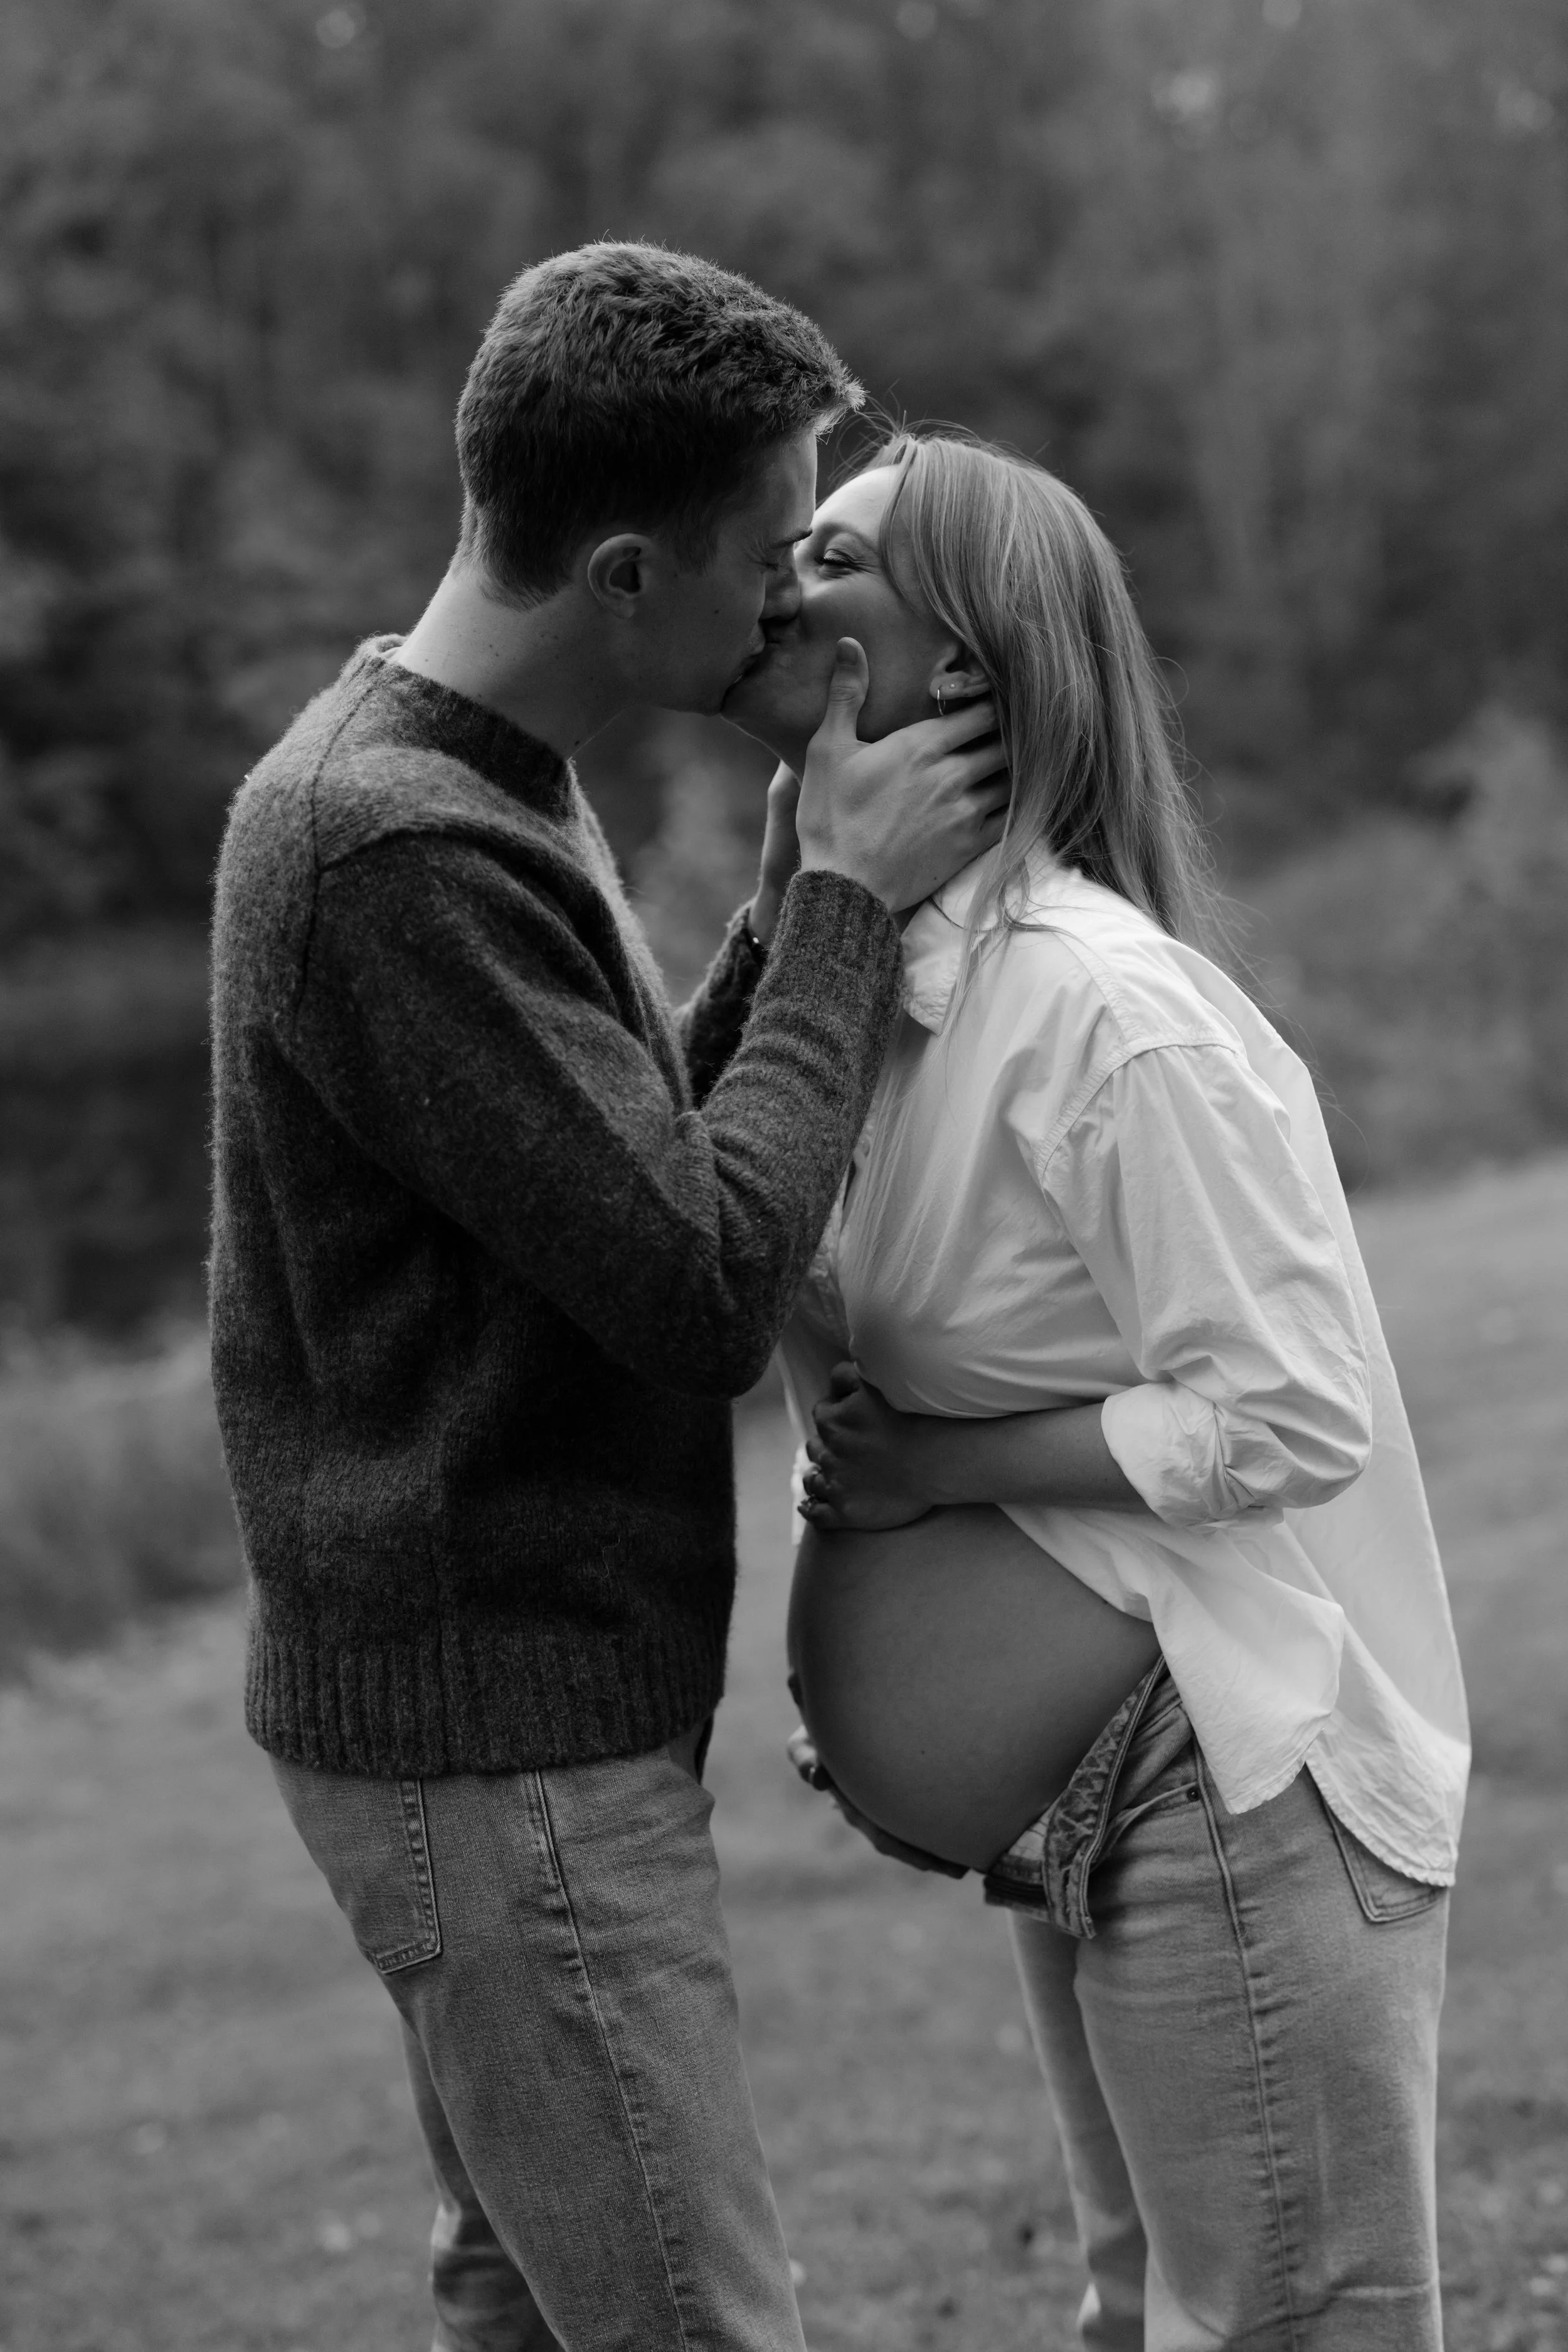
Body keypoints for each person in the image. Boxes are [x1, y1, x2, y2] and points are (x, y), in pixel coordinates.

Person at [208, 247, 1009, 2352]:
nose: (792, 606)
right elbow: (697, 1281)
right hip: (501, 1762)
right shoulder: (389, 849)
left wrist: (773, 899)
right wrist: (838, 903)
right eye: (770, 554)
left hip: (496, 1722)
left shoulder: (466, 769)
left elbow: (612, 1148)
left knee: (528, 2306)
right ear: (632, 571)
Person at [721, 427, 1470, 2351]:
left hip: (1226, 1776)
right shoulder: (870, 996)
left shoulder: (1096, 1010)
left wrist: (944, 1472)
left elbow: (1289, 1411)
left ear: (965, 661)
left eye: (830, 550)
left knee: (1281, 2323)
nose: (777, 578)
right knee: (1138, 2312)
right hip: (1084, 1801)